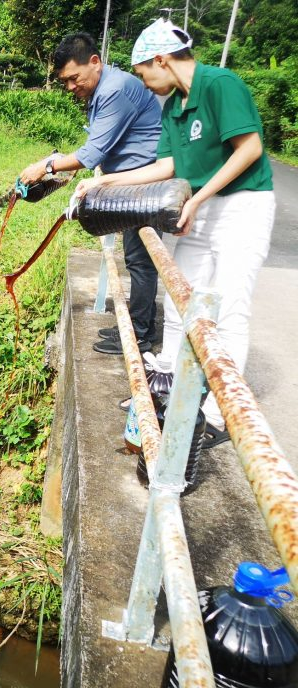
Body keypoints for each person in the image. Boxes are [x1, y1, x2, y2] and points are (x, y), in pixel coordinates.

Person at [75, 19, 276, 448]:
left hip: (242, 208)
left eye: (144, 73)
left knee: (230, 308)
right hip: (198, 206)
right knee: (181, 296)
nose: (145, 83)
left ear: (161, 60)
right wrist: (102, 182)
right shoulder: (173, 106)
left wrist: (199, 200)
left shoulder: (220, 84)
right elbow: (166, 167)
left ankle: (219, 415)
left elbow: (250, 148)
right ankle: (166, 385)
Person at [19, 33, 163, 355]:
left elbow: (91, 153)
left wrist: (45, 166)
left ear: (95, 62)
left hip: (144, 184)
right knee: (135, 257)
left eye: (74, 78)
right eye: (64, 82)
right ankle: (139, 328)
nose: (70, 87)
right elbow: (101, 147)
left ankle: (140, 336)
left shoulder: (115, 90)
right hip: (127, 183)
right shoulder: (102, 90)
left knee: (140, 260)